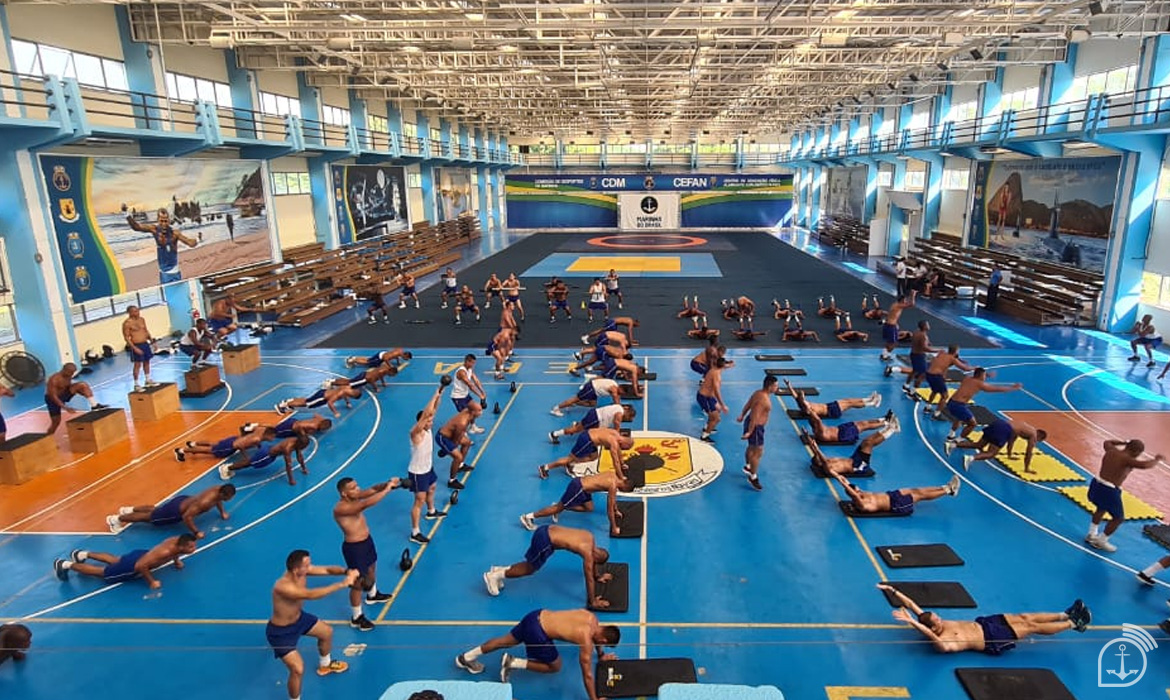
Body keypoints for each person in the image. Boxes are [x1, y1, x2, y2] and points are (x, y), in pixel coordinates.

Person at [882, 583, 1090, 654]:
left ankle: (1065, 613)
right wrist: (911, 623)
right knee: (1031, 626)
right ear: (933, 628)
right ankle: (1074, 624)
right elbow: (931, 636)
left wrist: (892, 590)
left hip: (984, 622)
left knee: (1023, 616)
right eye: (937, 621)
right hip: (992, 639)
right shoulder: (944, 642)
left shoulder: (929, 620)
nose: (940, 619)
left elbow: (912, 605)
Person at [455, 609, 620, 696]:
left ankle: (466, 657)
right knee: (555, 667)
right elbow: (588, 675)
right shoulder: (586, 639)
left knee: (504, 641)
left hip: (535, 616)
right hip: (538, 633)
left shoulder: (591, 617)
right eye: (604, 646)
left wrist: (601, 655)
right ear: (604, 640)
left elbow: (598, 640)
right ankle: (513, 663)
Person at [267, 550, 358, 700]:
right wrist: (343, 584)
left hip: (299, 619)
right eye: (307, 565)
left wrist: (346, 571)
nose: (310, 567)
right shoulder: (282, 586)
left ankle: (325, 665)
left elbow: (327, 570)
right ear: (296, 569)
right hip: (281, 632)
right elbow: (311, 595)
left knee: (327, 632)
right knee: (297, 669)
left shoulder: (302, 572)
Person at [484, 525, 613, 607]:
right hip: (545, 541)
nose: (593, 563)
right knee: (529, 569)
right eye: (595, 563)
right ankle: (494, 577)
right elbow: (589, 578)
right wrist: (593, 601)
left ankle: (500, 570)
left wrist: (598, 576)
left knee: (530, 565)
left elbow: (593, 570)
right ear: (595, 558)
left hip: (546, 529)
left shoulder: (589, 537)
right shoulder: (588, 554)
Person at [333, 476, 401, 631]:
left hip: (366, 542)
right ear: (344, 493)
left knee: (371, 568)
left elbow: (372, 489)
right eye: (353, 488)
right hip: (354, 548)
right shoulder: (340, 508)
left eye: (357, 486)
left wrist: (387, 483)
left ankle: (372, 594)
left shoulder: (354, 497)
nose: (358, 489)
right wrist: (388, 489)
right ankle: (356, 617)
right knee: (357, 583)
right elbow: (366, 503)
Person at [1085, 439, 1165, 553]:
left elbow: (1108, 441)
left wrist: (1124, 442)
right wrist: (1157, 459)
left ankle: (1092, 534)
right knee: (1118, 518)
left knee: (1101, 508)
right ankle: (1101, 540)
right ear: (1136, 451)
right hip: (1109, 489)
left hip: (1097, 483)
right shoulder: (1127, 459)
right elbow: (1145, 465)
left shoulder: (1111, 450)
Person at [53, 534, 198, 589]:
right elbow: (142, 566)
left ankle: (81, 554)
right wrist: (151, 582)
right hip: (135, 564)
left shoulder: (176, 541)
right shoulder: (166, 551)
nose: (194, 548)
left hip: (142, 553)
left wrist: (176, 561)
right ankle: (65, 564)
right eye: (191, 547)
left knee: (116, 559)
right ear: (182, 545)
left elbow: (175, 552)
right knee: (102, 572)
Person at [521, 471, 634, 535]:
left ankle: (562, 507)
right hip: (578, 488)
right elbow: (609, 508)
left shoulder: (613, 474)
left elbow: (613, 504)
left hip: (584, 486)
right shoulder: (613, 486)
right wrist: (614, 527)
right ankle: (529, 517)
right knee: (557, 507)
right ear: (624, 487)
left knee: (589, 508)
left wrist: (616, 510)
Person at [106, 484, 237, 538]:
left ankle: (128, 509)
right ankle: (116, 519)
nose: (230, 499)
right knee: (149, 517)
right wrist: (196, 532)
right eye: (230, 497)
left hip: (183, 500)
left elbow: (217, 501)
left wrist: (222, 512)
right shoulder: (205, 503)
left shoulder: (218, 490)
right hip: (175, 512)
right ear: (224, 495)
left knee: (156, 510)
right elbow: (187, 517)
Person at [407, 379, 448, 544]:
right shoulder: (415, 433)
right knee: (419, 501)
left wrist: (440, 391)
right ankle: (415, 532)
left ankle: (431, 512)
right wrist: (433, 396)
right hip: (418, 472)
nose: (431, 422)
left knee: (432, 487)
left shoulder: (428, 428)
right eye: (428, 421)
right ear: (421, 422)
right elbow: (426, 414)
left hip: (428, 469)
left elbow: (432, 410)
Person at [941, 368, 1021, 446]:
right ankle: (958, 440)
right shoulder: (979, 384)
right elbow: (995, 389)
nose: (985, 377)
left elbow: (977, 375)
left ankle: (951, 435)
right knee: (972, 424)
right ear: (980, 376)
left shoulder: (967, 378)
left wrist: (987, 375)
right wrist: (1012, 388)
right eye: (984, 375)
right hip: (958, 405)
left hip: (951, 402)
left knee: (959, 418)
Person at [833, 471, 960, 515]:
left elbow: (848, 484)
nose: (859, 489)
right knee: (920, 496)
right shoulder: (861, 503)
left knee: (915, 490)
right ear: (853, 493)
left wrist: (840, 477)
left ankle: (944, 487)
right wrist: (841, 482)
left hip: (891, 495)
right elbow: (852, 492)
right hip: (896, 505)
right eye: (856, 489)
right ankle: (949, 490)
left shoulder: (861, 493)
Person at [126, 208, 197, 284]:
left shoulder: (175, 233)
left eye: (166, 221)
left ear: (169, 221)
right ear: (158, 220)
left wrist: (196, 240)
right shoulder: (154, 229)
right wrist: (126, 214)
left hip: (174, 272)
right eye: (161, 221)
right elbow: (136, 227)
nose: (164, 224)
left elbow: (189, 242)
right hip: (163, 273)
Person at [948, 418, 1047, 473]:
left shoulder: (1023, 425)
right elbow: (1028, 453)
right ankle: (971, 458)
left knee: (979, 444)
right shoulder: (1033, 435)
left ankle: (952, 445)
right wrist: (1027, 468)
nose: (1035, 442)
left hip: (999, 423)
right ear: (1039, 437)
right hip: (1004, 430)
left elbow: (1011, 441)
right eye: (1038, 441)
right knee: (991, 453)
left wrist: (1009, 455)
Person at [808, 416, 899, 475]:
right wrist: (816, 449)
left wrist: (814, 449)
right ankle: (892, 429)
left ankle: (889, 428)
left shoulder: (828, 461)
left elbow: (821, 457)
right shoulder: (828, 468)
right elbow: (822, 460)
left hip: (854, 458)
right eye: (819, 459)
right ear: (820, 463)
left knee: (866, 441)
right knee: (869, 444)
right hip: (858, 467)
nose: (823, 457)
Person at [538, 428, 634, 481]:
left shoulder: (615, 433)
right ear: (623, 443)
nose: (622, 449)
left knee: (594, 457)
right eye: (624, 448)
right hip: (586, 440)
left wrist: (622, 463)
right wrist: (621, 477)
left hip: (590, 437)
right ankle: (545, 468)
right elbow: (615, 461)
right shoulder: (613, 442)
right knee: (570, 458)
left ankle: (571, 464)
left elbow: (618, 453)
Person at [737, 375, 779, 490]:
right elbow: (755, 416)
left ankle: (748, 466)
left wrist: (742, 415)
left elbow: (749, 404)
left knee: (751, 447)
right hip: (756, 428)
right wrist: (750, 432)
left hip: (751, 423)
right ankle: (753, 477)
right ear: (770, 386)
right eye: (776, 386)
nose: (777, 388)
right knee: (758, 452)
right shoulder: (764, 400)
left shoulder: (757, 393)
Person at [219, 435, 311, 486]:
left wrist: (304, 468)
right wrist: (291, 480)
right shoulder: (288, 448)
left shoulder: (297, 441)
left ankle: (230, 467)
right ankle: (227, 468)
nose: (304, 448)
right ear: (300, 443)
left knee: (249, 463)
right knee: (248, 463)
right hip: (266, 454)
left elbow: (299, 456)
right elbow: (288, 465)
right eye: (304, 446)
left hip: (270, 453)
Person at [44, 363, 108, 433]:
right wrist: (65, 407)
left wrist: (83, 393)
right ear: (64, 370)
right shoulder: (54, 379)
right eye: (70, 372)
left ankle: (94, 405)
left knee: (82, 385)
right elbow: (53, 396)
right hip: (52, 400)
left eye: (73, 372)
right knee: (56, 422)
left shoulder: (69, 375)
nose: (72, 374)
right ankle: (48, 436)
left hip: (64, 393)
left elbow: (67, 387)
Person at [437, 401, 483, 490]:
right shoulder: (462, 423)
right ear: (473, 412)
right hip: (443, 438)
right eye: (479, 411)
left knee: (467, 443)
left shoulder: (469, 413)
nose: (481, 412)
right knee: (457, 457)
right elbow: (456, 440)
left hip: (453, 435)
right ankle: (452, 481)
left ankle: (460, 466)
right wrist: (449, 450)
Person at [884, 321, 936, 398]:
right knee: (922, 375)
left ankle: (906, 385)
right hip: (919, 356)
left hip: (914, 354)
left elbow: (919, 343)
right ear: (924, 326)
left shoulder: (916, 332)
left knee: (914, 371)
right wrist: (936, 350)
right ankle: (913, 392)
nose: (929, 326)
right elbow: (924, 348)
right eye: (927, 324)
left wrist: (926, 343)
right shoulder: (923, 335)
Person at [918, 344, 972, 415]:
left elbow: (944, 362)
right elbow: (965, 368)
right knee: (945, 396)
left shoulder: (942, 353)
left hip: (928, 374)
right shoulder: (952, 359)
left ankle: (927, 407)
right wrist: (975, 368)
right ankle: (937, 413)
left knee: (934, 391)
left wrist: (960, 360)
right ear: (956, 351)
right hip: (936, 376)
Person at [549, 404, 635, 445]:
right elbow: (616, 424)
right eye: (628, 417)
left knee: (587, 430)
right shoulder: (620, 414)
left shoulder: (619, 407)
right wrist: (617, 435)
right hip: (596, 419)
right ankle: (554, 434)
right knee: (577, 430)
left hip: (595, 417)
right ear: (628, 413)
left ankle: (578, 424)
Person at [788, 380, 880, 418]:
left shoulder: (799, 400)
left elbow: (793, 394)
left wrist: (789, 385)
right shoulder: (805, 406)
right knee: (850, 404)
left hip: (829, 405)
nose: (804, 395)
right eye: (803, 395)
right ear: (802, 397)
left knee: (848, 400)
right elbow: (809, 413)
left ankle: (868, 399)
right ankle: (872, 403)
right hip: (831, 411)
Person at [174, 428, 273, 462]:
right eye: (272, 437)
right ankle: (182, 450)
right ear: (268, 434)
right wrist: (246, 457)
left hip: (233, 439)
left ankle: (193, 443)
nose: (272, 439)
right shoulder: (256, 439)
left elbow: (250, 438)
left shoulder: (259, 433)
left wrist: (260, 447)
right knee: (208, 450)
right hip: (230, 446)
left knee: (214, 444)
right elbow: (240, 446)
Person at [805, 408, 892, 446]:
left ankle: (883, 419)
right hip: (843, 435)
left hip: (841, 429)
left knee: (862, 422)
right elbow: (818, 420)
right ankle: (886, 423)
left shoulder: (817, 429)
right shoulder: (819, 432)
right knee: (865, 426)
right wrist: (812, 412)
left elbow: (817, 420)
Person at [122, 305, 156, 392]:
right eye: (135, 311)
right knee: (137, 365)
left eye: (138, 311)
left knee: (147, 361)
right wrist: (134, 348)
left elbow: (146, 330)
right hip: (136, 345)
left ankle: (148, 380)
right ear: (130, 312)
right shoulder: (127, 323)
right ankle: (136, 384)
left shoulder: (142, 319)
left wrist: (152, 341)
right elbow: (126, 337)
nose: (137, 312)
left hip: (145, 344)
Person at [276, 385, 362, 419]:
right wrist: (336, 412)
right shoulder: (341, 393)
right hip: (322, 398)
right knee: (306, 404)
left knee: (307, 400)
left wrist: (347, 403)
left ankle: (289, 401)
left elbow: (345, 396)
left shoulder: (347, 388)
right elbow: (330, 403)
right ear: (353, 395)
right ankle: (282, 405)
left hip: (323, 392)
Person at [451, 354, 487, 434]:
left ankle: (472, 427)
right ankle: (462, 433)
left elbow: (476, 380)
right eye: (472, 363)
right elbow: (470, 384)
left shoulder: (470, 369)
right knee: (465, 416)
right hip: (458, 397)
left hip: (465, 395)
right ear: (467, 361)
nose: (473, 365)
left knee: (476, 409)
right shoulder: (461, 372)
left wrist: (483, 391)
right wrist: (480, 395)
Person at [552, 377, 621, 417]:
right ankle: (556, 408)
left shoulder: (614, 383)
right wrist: (619, 408)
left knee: (592, 404)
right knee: (575, 399)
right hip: (591, 389)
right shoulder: (614, 390)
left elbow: (600, 377)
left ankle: (571, 404)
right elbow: (615, 397)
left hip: (594, 390)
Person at [697, 357, 729, 443]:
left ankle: (707, 427)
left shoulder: (714, 369)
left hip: (710, 397)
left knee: (717, 410)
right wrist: (723, 405)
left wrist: (730, 364)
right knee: (716, 418)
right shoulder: (716, 375)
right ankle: (704, 437)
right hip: (704, 398)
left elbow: (725, 365)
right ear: (723, 366)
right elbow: (717, 391)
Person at [879, 290, 916, 362]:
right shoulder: (899, 305)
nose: (906, 301)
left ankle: (884, 354)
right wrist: (913, 295)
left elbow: (891, 314)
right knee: (893, 343)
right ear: (902, 300)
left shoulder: (895, 304)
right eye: (905, 300)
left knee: (889, 342)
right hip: (891, 326)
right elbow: (912, 304)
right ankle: (885, 356)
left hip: (889, 325)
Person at [345, 348, 412, 370]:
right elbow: (386, 359)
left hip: (382, 353)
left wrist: (398, 362)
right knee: (367, 363)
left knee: (369, 359)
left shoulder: (400, 350)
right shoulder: (397, 354)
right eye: (406, 358)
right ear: (405, 355)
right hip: (381, 358)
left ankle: (354, 358)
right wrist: (390, 366)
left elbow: (396, 356)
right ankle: (351, 361)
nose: (405, 359)